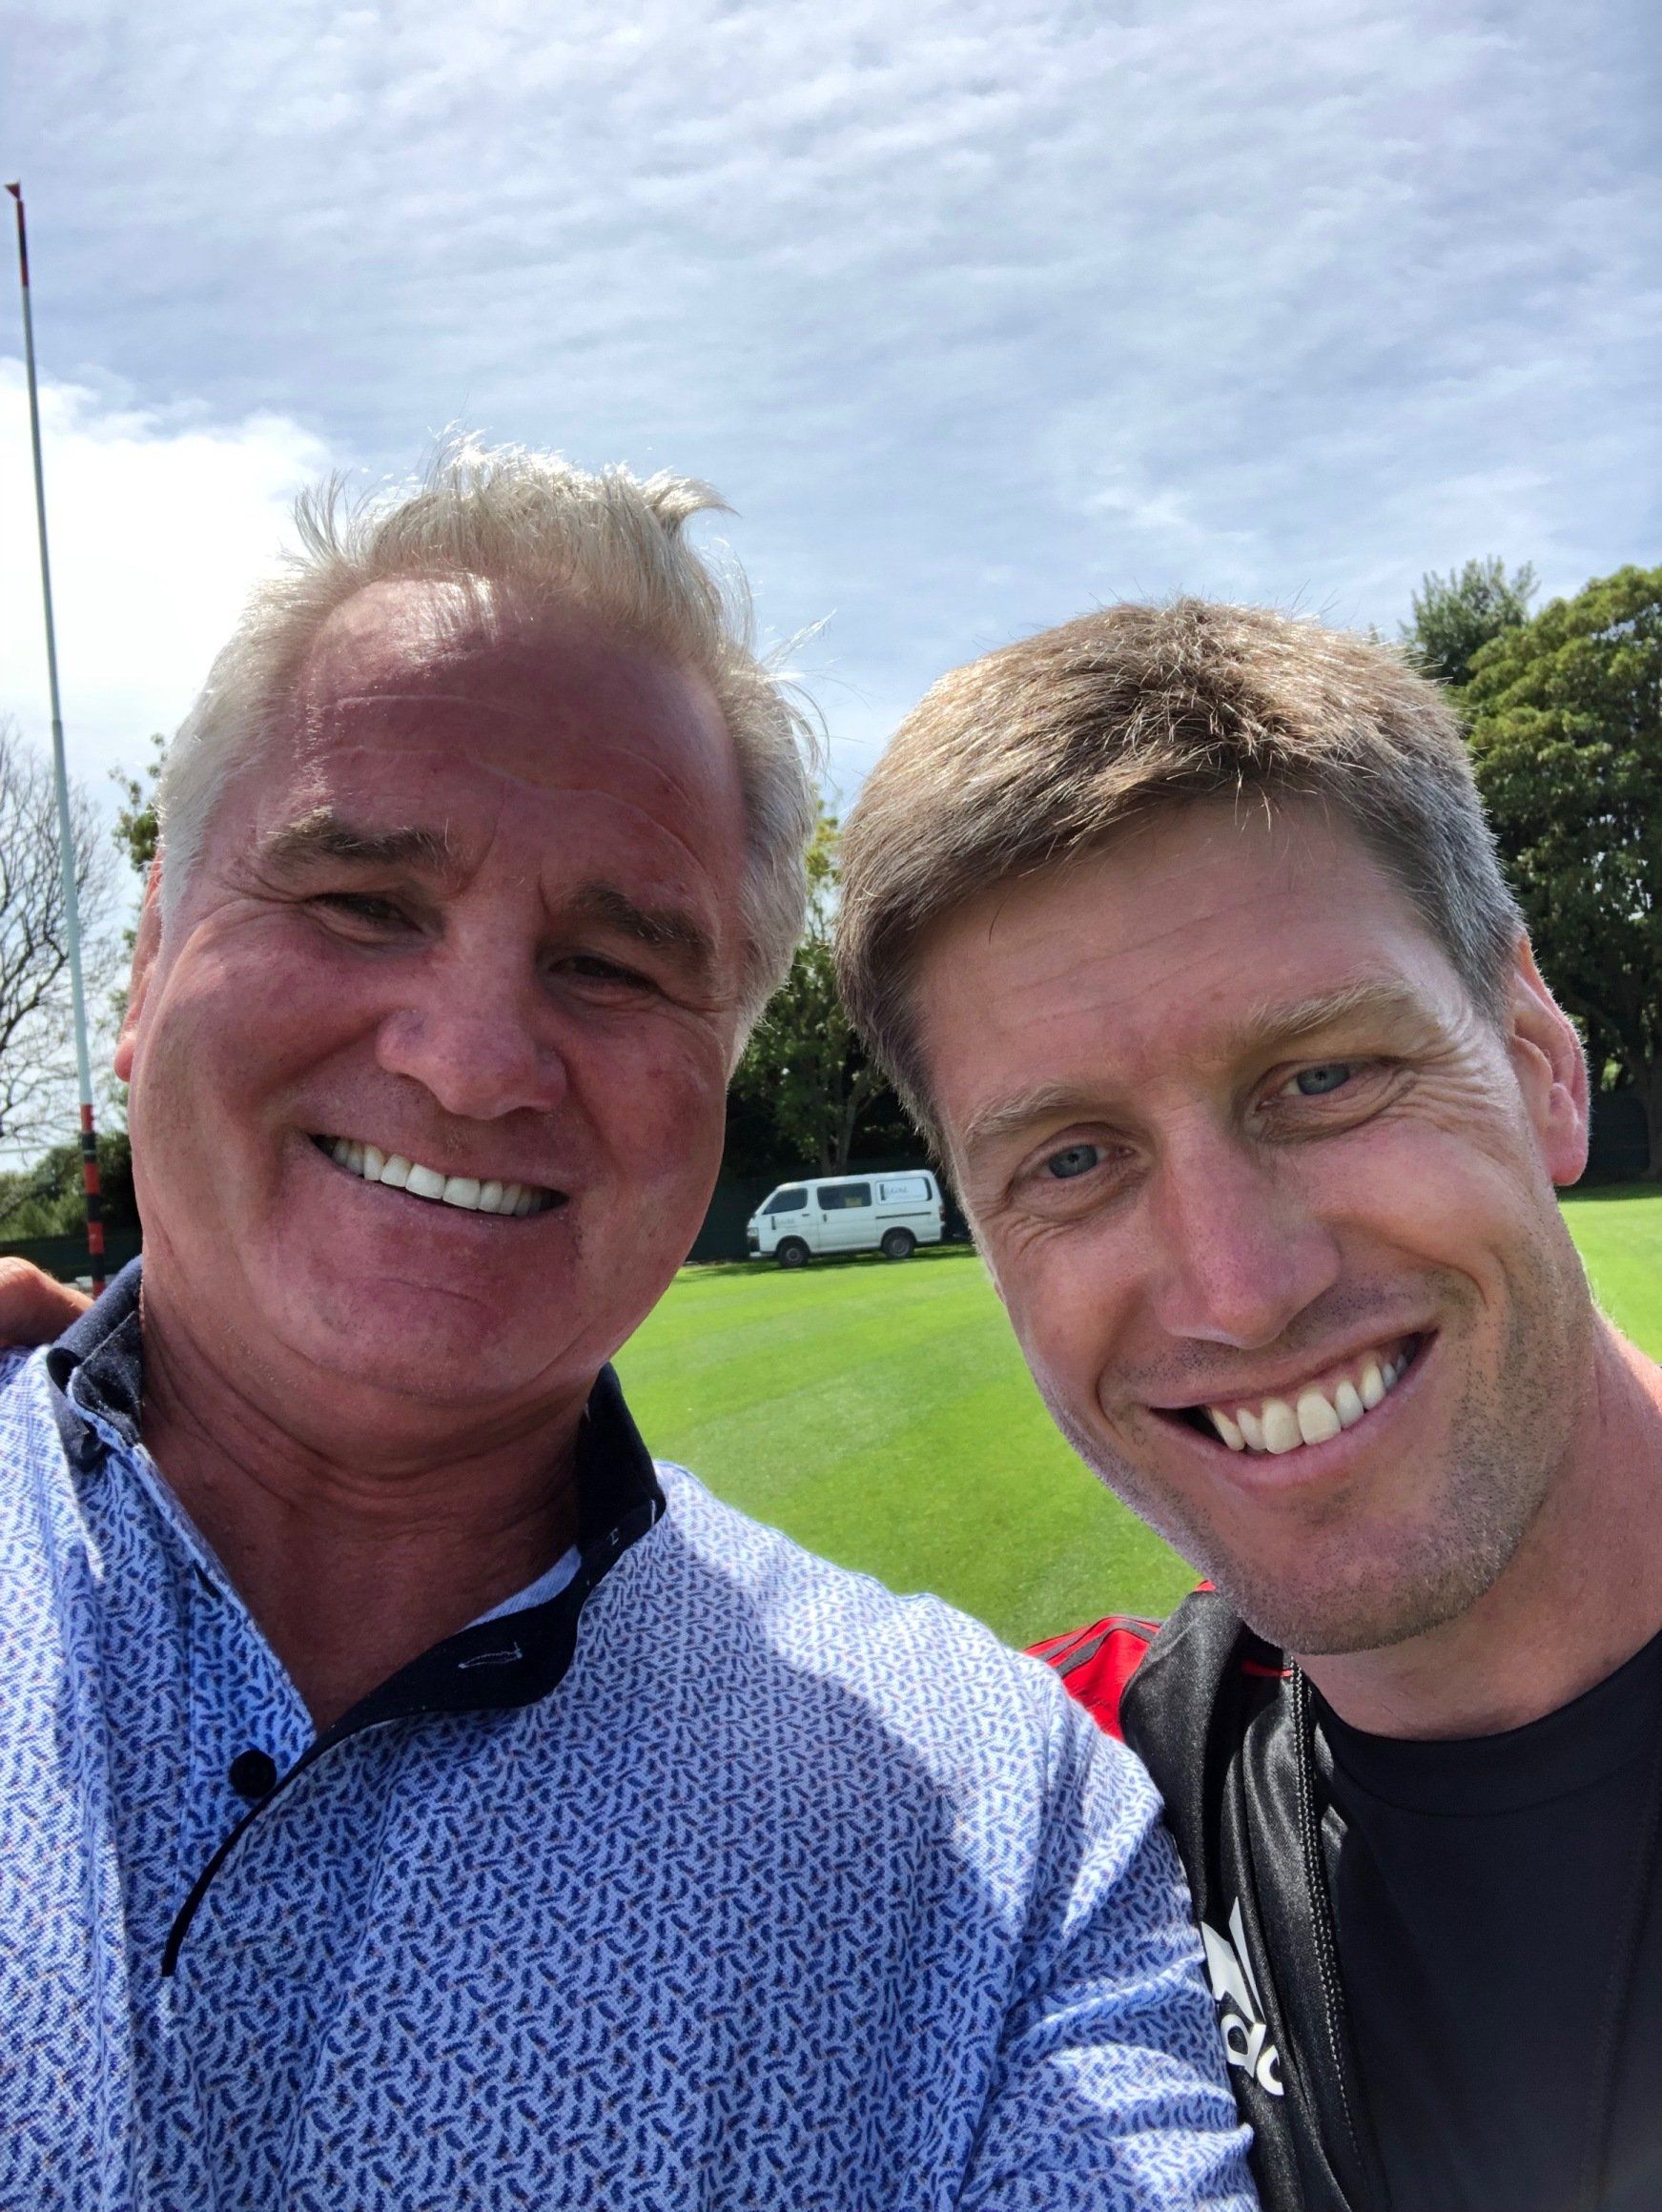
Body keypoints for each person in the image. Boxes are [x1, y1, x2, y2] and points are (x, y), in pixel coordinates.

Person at [0, 459, 1253, 2210]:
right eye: (362, 902)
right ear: (145, 967)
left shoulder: (1007, 1838)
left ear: (721, 1075)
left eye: (612, 963)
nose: (469, 1059)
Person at [834, 599, 1662, 2212]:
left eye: (1323, 1077)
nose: (1238, 1290)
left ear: (1538, 1054)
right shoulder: (1070, 1809)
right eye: (1071, 1161)